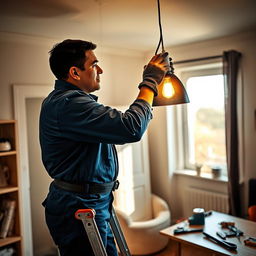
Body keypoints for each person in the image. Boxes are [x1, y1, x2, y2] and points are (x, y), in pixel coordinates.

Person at [39, 39, 169, 256]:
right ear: (75, 72)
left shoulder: (72, 102)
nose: (100, 70)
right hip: (79, 207)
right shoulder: (69, 104)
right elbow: (131, 128)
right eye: (93, 64)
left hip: (92, 202)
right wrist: (150, 83)